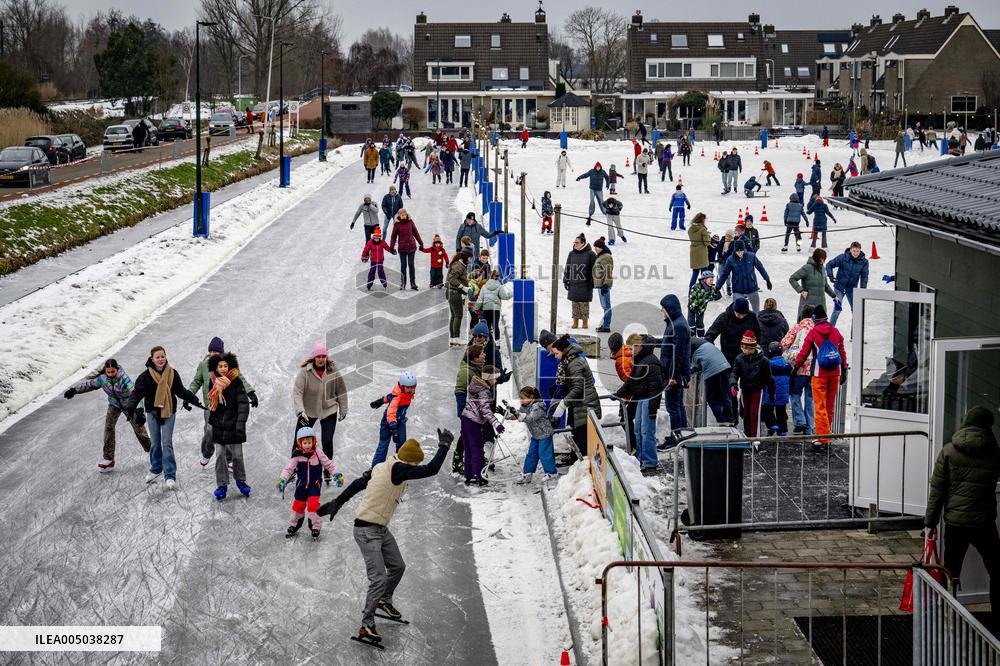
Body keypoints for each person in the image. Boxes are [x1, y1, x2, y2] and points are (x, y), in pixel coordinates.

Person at [316, 428, 454, 645]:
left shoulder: (382, 467)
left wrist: (338, 502)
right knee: (378, 577)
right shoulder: (399, 469)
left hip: (379, 528)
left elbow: (359, 484)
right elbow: (432, 469)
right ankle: (366, 625)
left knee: (398, 566)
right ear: (409, 462)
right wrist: (444, 445)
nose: (415, 468)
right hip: (366, 530)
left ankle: (383, 600)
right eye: (414, 465)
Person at [924, 406, 1000, 615]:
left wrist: (930, 523)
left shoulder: (949, 451)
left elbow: (937, 490)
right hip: (984, 523)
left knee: (951, 570)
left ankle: (948, 610)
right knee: (996, 568)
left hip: (956, 523)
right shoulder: (994, 453)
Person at [124, 346, 203, 489]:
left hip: (169, 412)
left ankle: (170, 475)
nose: (161, 359)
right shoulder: (145, 376)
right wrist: (131, 408)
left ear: (166, 357)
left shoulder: (172, 373)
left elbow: (181, 391)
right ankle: (156, 469)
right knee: (155, 443)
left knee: (166, 444)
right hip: (152, 413)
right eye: (157, 357)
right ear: (152, 359)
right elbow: (136, 393)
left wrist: (193, 399)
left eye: (163, 356)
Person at [64, 358, 150, 471]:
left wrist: (139, 410)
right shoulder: (102, 378)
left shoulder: (123, 378)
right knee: (108, 428)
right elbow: (89, 385)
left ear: (117, 370)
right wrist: (74, 390)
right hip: (114, 404)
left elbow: (134, 392)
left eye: (112, 372)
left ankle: (152, 451)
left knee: (139, 428)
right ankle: (108, 459)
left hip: (129, 404)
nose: (110, 374)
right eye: (108, 372)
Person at [190, 337, 257, 467]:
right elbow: (197, 381)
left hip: (227, 405)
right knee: (210, 431)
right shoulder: (204, 365)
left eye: (216, 352)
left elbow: (240, 379)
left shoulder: (228, 365)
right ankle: (206, 452)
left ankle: (229, 458)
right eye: (211, 351)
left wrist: (250, 392)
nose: (213, 354)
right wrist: (189, 395)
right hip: (210, 406)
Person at [793, 305, 847, 446]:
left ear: (815, 319)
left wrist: (796, 368)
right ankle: (826, 434)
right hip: (835, 373)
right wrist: (844, 370)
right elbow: (842, 353)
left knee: (820, 406)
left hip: (819, 374)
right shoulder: (835, 332)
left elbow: (803, 354)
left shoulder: (813, 333)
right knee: (829, 406)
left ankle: (823, 438)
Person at [277, 427, 343, 540]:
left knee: (313, 507)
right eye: (305, 443)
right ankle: (294, 525)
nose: (307, 445)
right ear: (300, 443)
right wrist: (282, 479)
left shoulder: (317, 452)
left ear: (313, 441)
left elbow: (328, 464)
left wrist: (337, 474)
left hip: (314, 486)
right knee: (298, 506)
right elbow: (289, 469)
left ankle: (315, 527)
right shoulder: (297, 455)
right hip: (301, 486)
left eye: (309, 442)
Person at [615, 334, 663, 474]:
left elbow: (656, 387)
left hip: (648, 399)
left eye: (634, 347)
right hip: (641, 398)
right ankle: (641, 459)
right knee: (638, 429)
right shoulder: (640, 360)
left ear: (641, 346)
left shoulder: (652, 362)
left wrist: (653, 408)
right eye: (631, 347)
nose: (632, 350)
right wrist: (619, 393)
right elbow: (631, 381)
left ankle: (650, 462)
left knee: (647, 431)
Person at [206, 352, 250, 500]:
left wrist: (240, 424)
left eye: (226, 366)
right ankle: (222, 485)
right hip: (219, 427)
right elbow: (212, 406)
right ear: (216, 367)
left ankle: (241, 481)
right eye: (220, 366)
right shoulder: (213, 382)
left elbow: (243, 405)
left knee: (237, 455)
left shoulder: (236, 382)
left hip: (234, 426)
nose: (223, 368)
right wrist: (213, 421)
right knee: (219, 455)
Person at [550, 334, 601, 457]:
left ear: (564, 351)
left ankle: (583, 467)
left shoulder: (574, 364)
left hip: (586, 407)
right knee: (577, 438)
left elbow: (578, 388)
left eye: (557, 353)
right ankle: (577, 463)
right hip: (579, 406)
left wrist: (563, 404)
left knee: (583, 442)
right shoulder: (570, 361)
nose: (556, 357)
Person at [656, 294, 691, 446]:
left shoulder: (678, 326)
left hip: (674, 375)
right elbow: (668, 344)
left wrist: (672, 376)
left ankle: (677, 437)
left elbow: (678, 354)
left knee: (673, 407)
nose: (661, 311)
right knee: (677, 405)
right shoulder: (675, 323)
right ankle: (681, 434)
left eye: (663, 308)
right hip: (673, 373)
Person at [461, 365, 504, 485]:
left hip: (466, 418)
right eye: (494, 378)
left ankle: (469, 474)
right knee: (477, 449)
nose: (495, 381)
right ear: (489, 378)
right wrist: (496, 423)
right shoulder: (484, 391)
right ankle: (477, 475)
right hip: (474, 422)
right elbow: (485, 410)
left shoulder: (475, 385)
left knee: (469, 448)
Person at [505, 386, 557, 484]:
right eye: (520, 398)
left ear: (531, 397)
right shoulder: (525, 406)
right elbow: (519, 415)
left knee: (544, 454)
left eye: (523, 398)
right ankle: (527, 473)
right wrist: (509, 415)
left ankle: (551, 474)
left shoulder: (537, 407)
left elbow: (529, 418)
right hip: (536, 435)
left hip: (544, 434)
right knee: (531, 454)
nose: (521, 400)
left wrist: (517, 414)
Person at [730, 331, 773, 438]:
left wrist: (772, 393)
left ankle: (755, 437)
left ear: (753, 348)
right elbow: (735, 373)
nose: (744, 350)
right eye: (743, 347)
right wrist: (733, 383)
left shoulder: (763, 361)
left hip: (757, 389)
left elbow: (769, 378)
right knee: (746, 413)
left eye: (747, 348)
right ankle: (747, 433)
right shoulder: (739, 358)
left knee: (755, 413)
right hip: (745, 389)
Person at [781, 305, 816, 435]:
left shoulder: (797, 327)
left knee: (795, 395)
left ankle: (800, 420)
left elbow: (784, 343)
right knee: (810, 398)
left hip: (798, 369)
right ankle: (810, 428)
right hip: (813, 371)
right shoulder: (816, 328)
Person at [369, 371, 417, 466]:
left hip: (400, 422)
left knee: (402, 446)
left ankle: (399, 467)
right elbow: (391, 412)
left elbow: (390, 395)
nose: (410, 389)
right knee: (383, 446)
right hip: (388, 423)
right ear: (402, 386)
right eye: (408, 387)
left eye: (412, 387)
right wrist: (393, 428)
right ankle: (374, 469)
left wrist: (382, 400)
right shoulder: (397, 397)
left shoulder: (406, 393)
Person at [716, 239, 772, 312]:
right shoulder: (730, 260)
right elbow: (724, 274)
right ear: (735, 251)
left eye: (741, 251)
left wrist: (767, 279)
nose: (740, 253)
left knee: (756, 311)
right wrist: (718, 286)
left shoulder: (751, 256)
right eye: (737, 251)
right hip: (738, 289)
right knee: (737, 312)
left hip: (752, 287)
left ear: (744, 249)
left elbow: (760, 268)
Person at [706, 297, 761, 366]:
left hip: (747, 355)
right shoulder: (724, 317)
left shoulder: (751, 316)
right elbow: (710, 335)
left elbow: (758, 333)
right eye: (738, 314)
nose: (741, 317)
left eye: (744, 314)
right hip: (729, 356)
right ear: (734, 310)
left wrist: (756, 346)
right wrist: (711, 351)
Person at [690, 337, 733, 425]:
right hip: (724, 365)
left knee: (711, 398)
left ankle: (722, 420)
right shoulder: (700, 341)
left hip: (711, 369)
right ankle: (730, 419)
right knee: (725, 395)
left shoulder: (687, 345)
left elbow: (690, 365)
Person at [826, 241, 869, 327]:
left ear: (860, 250)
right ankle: (829, 332)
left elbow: (864, 277)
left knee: (856, 311)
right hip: (839, 288)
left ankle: (855, 336)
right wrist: (830, 275)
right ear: (850, 250)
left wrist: (862, 290)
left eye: (857, 251)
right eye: (854, 251)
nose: (856, 253)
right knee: (837, 309)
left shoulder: (864, 262)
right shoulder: (843, 257)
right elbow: (829, 264)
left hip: (851, 290)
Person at [789, 249, 836, 322]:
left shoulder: (823, 269)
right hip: (808, 305)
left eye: (824, 259)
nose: (823, 261)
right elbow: (792, 279)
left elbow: (825, 286)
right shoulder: (807, 268)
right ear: (817, 258)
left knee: (820, 328)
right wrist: (801, 290)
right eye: (821, 259)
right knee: (806, 327)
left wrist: (834, 296)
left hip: (820, 305)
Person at [608, 332, 637, 451]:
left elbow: (630, 381)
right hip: (634, 393)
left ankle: (634, 446)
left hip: (633, 395)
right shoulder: (626, 353)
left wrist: (621, 395)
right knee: (628, 419)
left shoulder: (621, 361)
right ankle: (635, 445)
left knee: (626, 420)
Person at [563, 234, 596, 329]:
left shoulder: (591, 254)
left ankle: (585, 322)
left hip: (586, 284)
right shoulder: (571, 253)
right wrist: (566, 280)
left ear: (583, 243)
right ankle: (575, 322)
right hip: (574, 283)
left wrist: (593, 282)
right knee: (575, 303)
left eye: (577, 242)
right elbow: (567, 267)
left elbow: (595, 269)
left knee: (584, 303)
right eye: (574, 242)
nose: (575, 244)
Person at [389, 208, 424, 291]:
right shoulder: (397, 224)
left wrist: (421, 243)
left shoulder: (410, 222)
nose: (403, 216)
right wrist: (391, 247)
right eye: (402, 215)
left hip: (411, 247)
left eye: (404, 214)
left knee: (411, 265)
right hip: (402, 248)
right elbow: (393, 237)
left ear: (406, 214)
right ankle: (403, 283)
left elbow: (415, 232)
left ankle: (413, 283)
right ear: (399, 216)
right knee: (403, 266)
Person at [761, 342, 791, 436]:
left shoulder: (768, 364)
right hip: (783, 393)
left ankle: (772, 424)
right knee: (781, 411)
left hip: (771, 392)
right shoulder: (787, 365)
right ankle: (783, 430)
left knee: (767, 409)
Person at [474, 269, 512, 339]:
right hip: (495, 309)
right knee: (495, 326)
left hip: (486, 309)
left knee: (487, 326)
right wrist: (512, 293)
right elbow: (505, 296)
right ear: (498, 278)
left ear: (490, 277)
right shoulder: (499, 286)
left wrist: (476, 308)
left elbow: (480, 299)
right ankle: (497, 342)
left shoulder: (484, 287)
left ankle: (488, 341)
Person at [446, 250, 471, 345]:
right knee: (458, 316)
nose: (470, 260)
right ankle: (456, 338)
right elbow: (451, 279)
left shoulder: (460, 265)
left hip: (451, 292)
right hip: (454, 293)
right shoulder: (458, 266)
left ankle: (453, 339)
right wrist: (462, 287)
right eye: (469, 257)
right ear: (465, 257)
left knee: (454, 315)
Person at [688, 269, 721, 337]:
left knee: (700, 323)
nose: (712, 282)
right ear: (704, 280)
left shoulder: (711, 288)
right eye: (710, 280)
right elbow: (692, 298)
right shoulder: (696, 287)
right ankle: (692, 336)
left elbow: (717, 296)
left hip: (701, 309)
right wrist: (705, 299)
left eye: (712, 280)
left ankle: (701, 337)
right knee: (691, 322)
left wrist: (717, 291)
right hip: (692, 307)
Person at [593, 238, 614, 332]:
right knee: (604, 306)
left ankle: (606, 326)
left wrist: (605, 285)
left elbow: (608, 272)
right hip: (601, 285)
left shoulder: (606, 257)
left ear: (601, 247)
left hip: (604, 285)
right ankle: (605, 325)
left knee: (606, 306)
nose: (595, 249)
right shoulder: (601, 256)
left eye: (596, 247)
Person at [687, 212, 712, 288]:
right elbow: (707, 243)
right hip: (702, 254)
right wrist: (708, 235)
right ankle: (705, 291)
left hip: (694, 253)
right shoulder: (703, 229)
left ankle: (691, 291)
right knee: (705, 275)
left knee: (694, 274)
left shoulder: (691, 229)